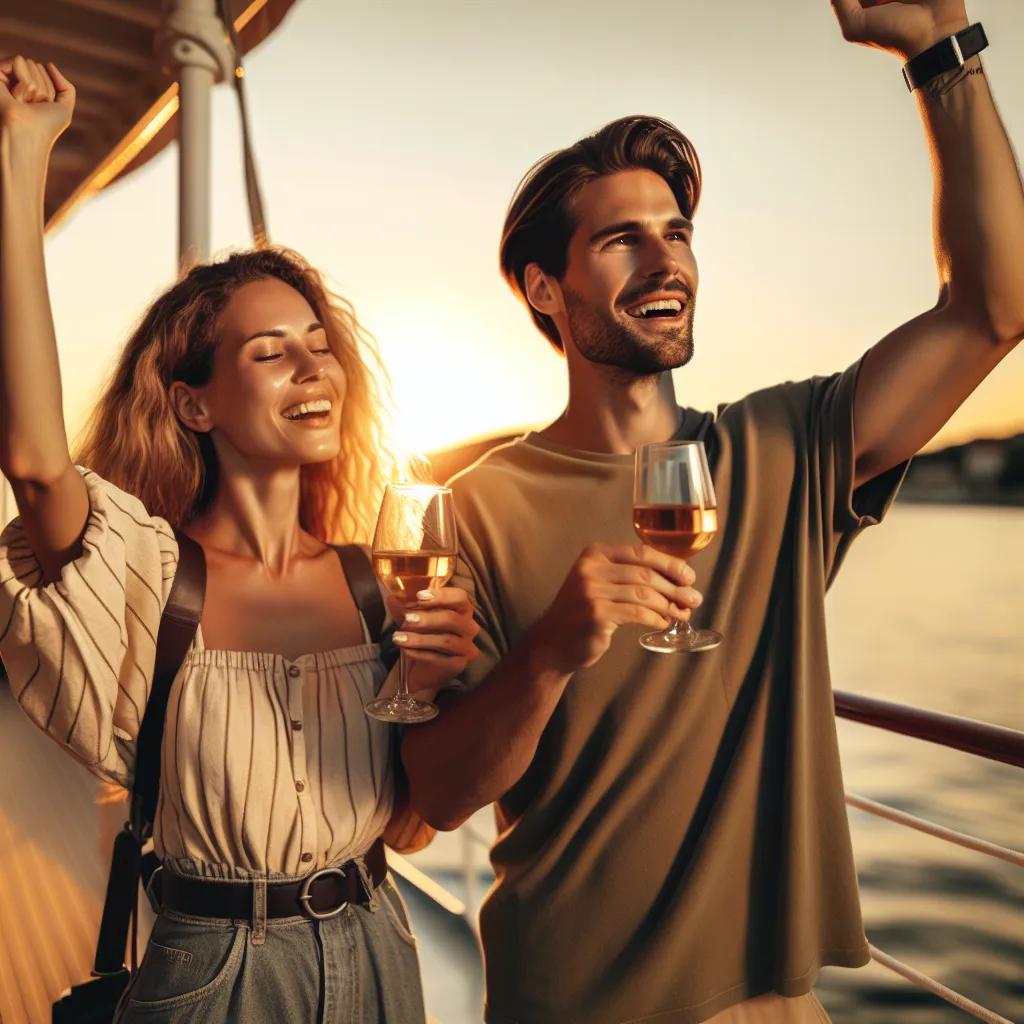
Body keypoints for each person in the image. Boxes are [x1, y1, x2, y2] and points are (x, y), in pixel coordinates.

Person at [399, 3, 1024, 1023]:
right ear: (543, 287)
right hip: (572, 1000)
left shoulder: (778, 446)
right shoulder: (471, 512)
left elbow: (993, 307)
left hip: (772, 1002)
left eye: (676, 232)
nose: (665, 261)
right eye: (620, 241)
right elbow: (434, 796)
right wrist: (554, 648)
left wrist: (941, 48)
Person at [0, 57, 479, 1024]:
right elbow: (38, 462)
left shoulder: (375, 584)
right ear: (194, 403)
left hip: (379, 953)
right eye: (270, 352)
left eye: (316, 342)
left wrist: (429, 683)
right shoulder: (143, 569)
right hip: (215, 973)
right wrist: (21, 160)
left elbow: (413, 829)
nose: (313, 367)